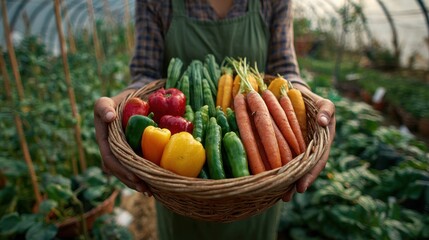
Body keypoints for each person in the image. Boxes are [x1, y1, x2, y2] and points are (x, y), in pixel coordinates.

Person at [94, 0, 336, 239]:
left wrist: (308, 97)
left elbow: (284, 68)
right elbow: (145, 77)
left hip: (259, 186)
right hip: (180, 188)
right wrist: (120, 103)